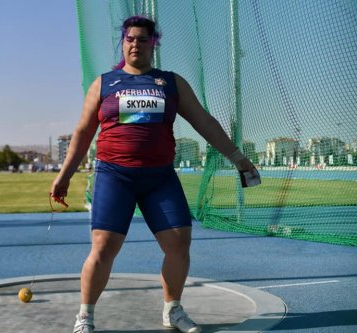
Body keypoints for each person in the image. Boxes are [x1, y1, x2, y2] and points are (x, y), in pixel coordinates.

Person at [50, 15, 257, 333]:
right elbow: (82, 133)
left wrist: (238, 158)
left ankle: (172, 309)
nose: (135, 43)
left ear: (153, 43)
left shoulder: (171, 83)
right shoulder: (105, 83)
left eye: (142, 39)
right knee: (103, 246)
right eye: (130, 38)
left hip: (159, 178)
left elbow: (203, 121)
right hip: (114, 175)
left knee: (179, 243)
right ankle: (85, 318)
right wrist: (64, 175)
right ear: (124, 42)